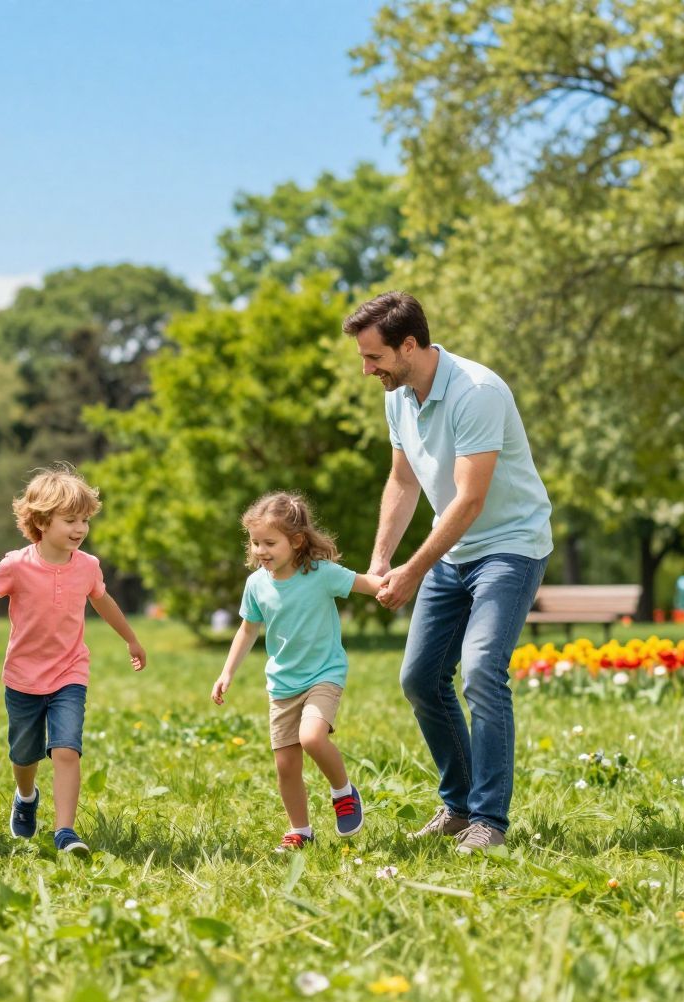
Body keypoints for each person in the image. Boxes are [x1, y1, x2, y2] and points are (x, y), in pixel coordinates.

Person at [345, 291, 552, 854]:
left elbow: (469, 501)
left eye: (373, 357)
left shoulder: (476, 393)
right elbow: (403, 481)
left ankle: (489, 820)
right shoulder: (400, 396)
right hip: (455, 551)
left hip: (509, 546)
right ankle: (458, 808)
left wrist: (413, 570)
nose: (367, 370)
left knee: (482, 670)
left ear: (409, 345)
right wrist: (383, 559)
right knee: (419, 678)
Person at [0, 465, 145, 855]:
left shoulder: (88, 566)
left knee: (66, 748)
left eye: (84, 519)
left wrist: (131, 639)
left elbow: (104, 602)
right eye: (70, 520)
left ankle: (64, 831)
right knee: (24, 754)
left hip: (70, 672)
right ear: (41, 521)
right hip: (23, 677)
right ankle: (26, 796)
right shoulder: (17, 564)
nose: (80, 528)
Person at [210, 492, 383, 851]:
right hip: (282, 684)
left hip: (323, 674)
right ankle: (300, 830)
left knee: (312, 737)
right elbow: (247, 629)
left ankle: (344, 792)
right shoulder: (256, 584)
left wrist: (398, 581)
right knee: (286, 765)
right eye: (255, 542)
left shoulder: (321, 574)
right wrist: (227, 672)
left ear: (297, 541)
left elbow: (367, 584)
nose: (260, 550)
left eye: (269, 542)